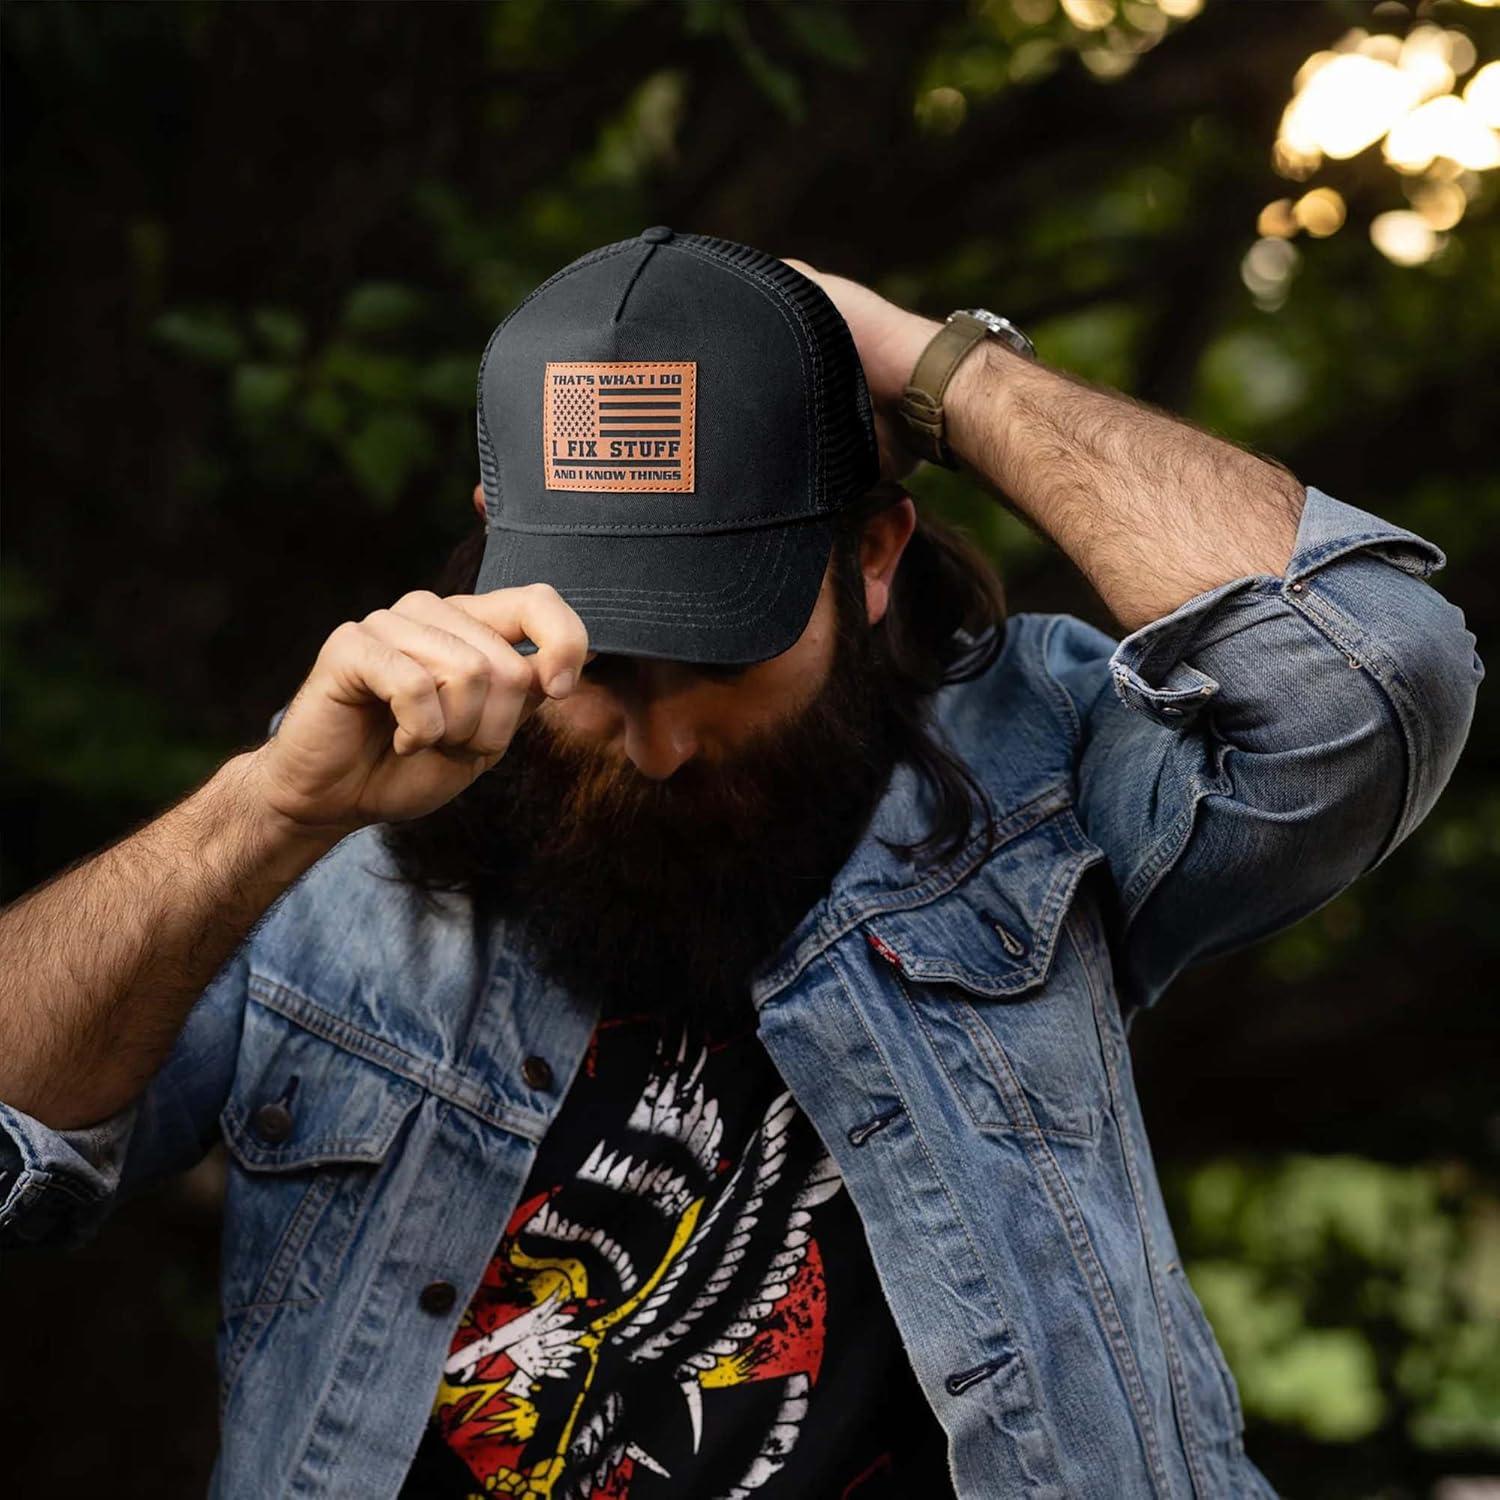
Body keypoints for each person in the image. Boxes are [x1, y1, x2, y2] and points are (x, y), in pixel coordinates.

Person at [0, 229, 1480, 1500]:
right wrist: (263, 812)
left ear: (875, 554)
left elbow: (1369, 674)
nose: (654, 743)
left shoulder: (1042, 777)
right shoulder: (339, 822)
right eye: (597, 663)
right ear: (496, 550)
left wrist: (923, 359)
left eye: (722, 652)